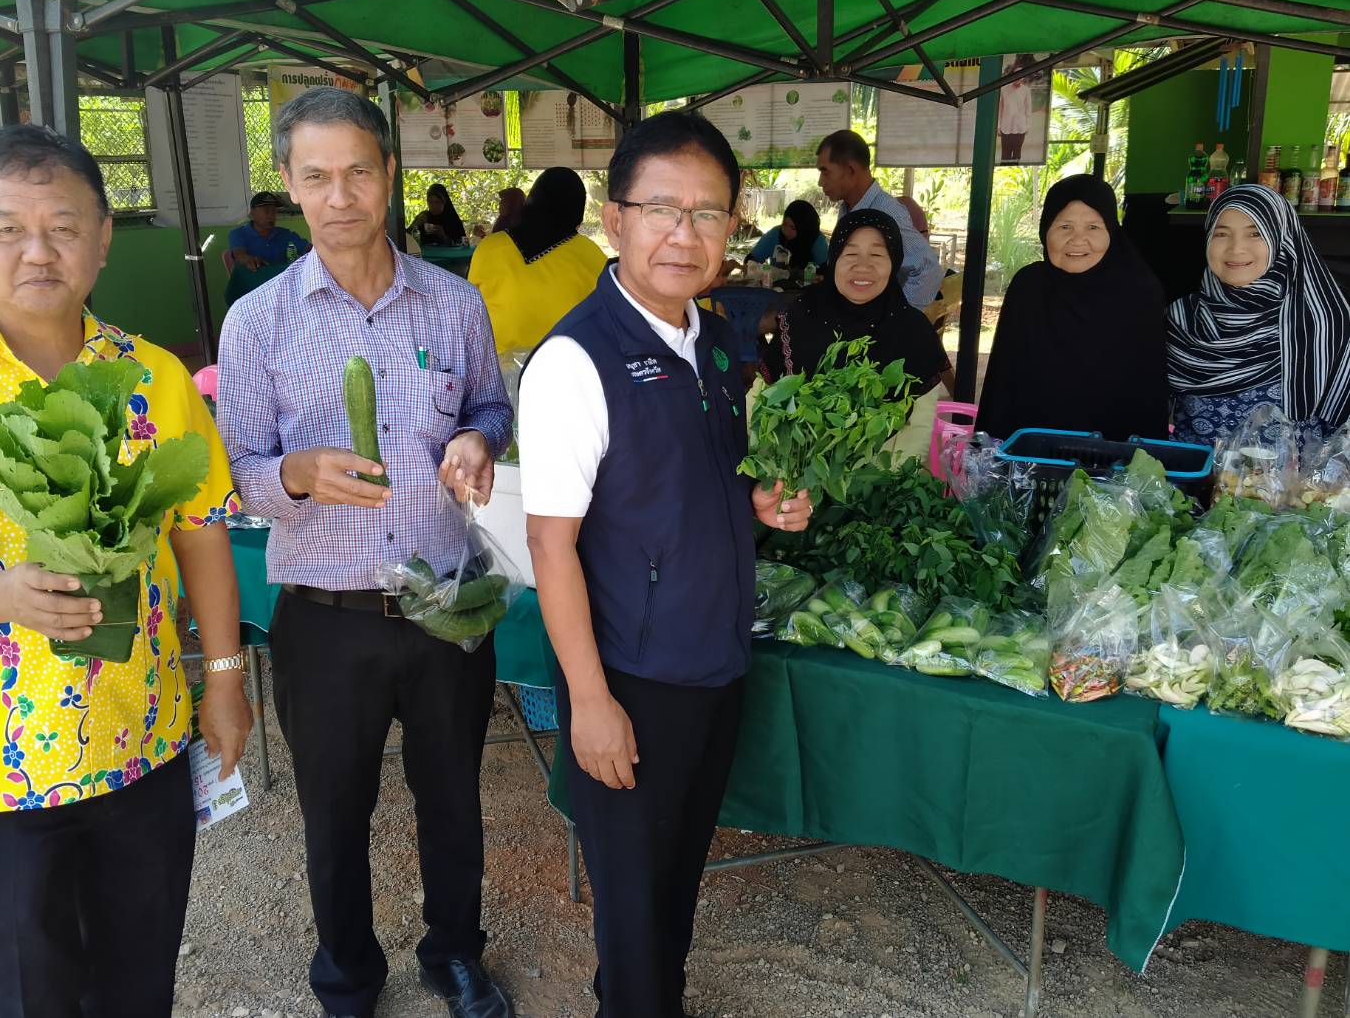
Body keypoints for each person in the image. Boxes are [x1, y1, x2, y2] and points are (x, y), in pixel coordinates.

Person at [0, 124, 252, 1018]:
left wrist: (226, 680)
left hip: (146, 742)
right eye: (7, 228)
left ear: (104, 236)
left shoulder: (153, 377)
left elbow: (200, 534)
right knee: (24, 989)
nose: (39, 251)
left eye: (65, 226)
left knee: (138, 975)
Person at [217, 87, 515, 1018]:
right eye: (317, 177)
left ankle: (453, 952)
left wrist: (478, 439)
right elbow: (236, 475)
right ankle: (346, 971)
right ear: (291, 186)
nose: (339, 194)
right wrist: (297, 473)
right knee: (334, 815)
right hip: (326, 615)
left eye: (357, 171)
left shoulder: (454, 304)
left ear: (388, 175)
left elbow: (491, 408)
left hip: (444, 603)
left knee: (453, 801)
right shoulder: (257, 321)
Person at [519, 111, 813, 1018]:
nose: (685, 234)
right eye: (661, 210)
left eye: (710, 213)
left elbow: (703, 484)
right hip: (632, 678)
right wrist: (592, 701)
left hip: (714, 660)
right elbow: (549, 544)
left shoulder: (718, 341)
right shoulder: (576, 359)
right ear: (614, 220)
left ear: (733, 226)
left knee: (674, 880)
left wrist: (761, 506)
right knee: (636, 905)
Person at [977, 174, 1168, 442]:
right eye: (1064, 226)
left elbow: (1148, 395)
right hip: (1031, 453)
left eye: (1093, 227)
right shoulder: (1029, 287)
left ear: (1111, 231)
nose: (1078, 239)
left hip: (1115, 460)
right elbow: (1002, 386)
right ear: (1046, 230)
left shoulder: (1139, 292)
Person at [1167, 183, 1350, 445]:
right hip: (1188, 478)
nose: (1236, 248)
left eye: (1255, 234)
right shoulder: (1180, 317)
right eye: (1221, 234)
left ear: (1282, 239)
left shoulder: (1324, 320)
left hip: (1285, 483)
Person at [760, 208, 953, 400]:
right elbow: (763, 396)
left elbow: (920, 420)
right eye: (851, 254)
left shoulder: (913, 330)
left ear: (893, 263)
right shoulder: (798, 319)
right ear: (834, 259)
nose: (862, 266)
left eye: (876, 255)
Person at [467, 166, 605, 354]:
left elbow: (469, 312)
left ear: (531, 201)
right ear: (577, 210)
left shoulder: (490, 248)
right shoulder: (592, 255)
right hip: (571, 369)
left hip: (498, 373)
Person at [816, 130, 943, 308]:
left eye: (825, 172)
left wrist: (897, 319)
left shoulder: (885, 213)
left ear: (851, 170)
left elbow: (929, 270)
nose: (820, 182)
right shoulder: (849, 209)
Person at [743, 199, 828, 289]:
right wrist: (757, 271)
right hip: (777, 289)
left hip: (808, 291)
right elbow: (751, 260)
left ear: (805, 229)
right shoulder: (775, 234)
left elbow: (825, 271)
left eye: (793, 228)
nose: (786, 231)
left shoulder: (817, 240)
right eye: (784, 224)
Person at [228, 190, 312, 271]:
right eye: (266, 211)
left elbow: (308, 248)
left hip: (281, 282)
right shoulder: (238, 234)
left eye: (274, 211)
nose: (271, 216)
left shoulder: (285, 234)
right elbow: (239, 255)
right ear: (252, 212)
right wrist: (249, 260)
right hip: (253, 281)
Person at [998, 56, 1036, 164]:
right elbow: (1000, 109)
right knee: (1005, 155)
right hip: (1006, 127)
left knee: (1017, 154)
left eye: (1021, 76)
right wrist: (998, 126)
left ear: (1023, 77)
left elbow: (1028, 110)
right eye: (1016, 75)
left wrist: (1027, 126)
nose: (1018, 78)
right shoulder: (1004, 90)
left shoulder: (1026, 91)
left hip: (1020, 127)